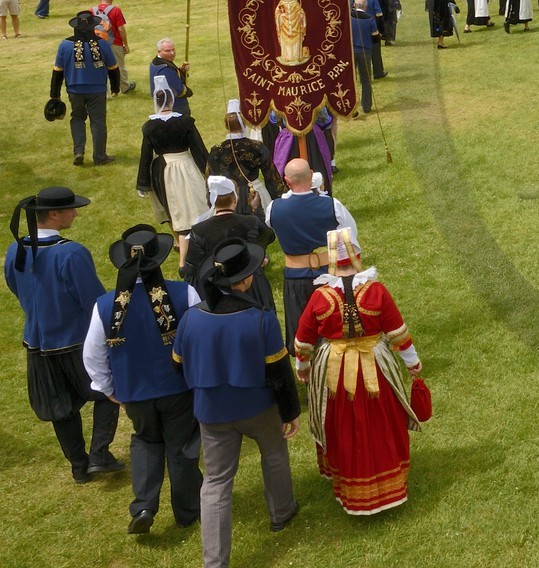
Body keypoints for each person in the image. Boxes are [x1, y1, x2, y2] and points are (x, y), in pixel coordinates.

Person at [171, 242, 302, 564]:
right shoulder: (261, 318)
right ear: (244, 281)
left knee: (216, 482)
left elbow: (177, 363)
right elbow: (279, 372)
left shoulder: (190, 318)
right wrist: (291, 413)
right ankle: (281, 513)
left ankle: (214, 561)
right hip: (258, 408)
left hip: (212, 412)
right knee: (273, 454)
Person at [293, 229, 424, 515]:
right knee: (381, 420)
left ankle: (351, 482)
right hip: (375, 363)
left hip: (333, 369)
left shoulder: (320, 296)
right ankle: (389, 480)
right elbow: (397, 332)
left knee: (343, 423)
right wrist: (412, 363)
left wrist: (302, 368)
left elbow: (302, 340)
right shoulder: (375, 290)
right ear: (358, 257)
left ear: (331, 262)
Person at [82, 225, 202, 534]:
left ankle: (145, 505)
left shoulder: (105, 305)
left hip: (134, 392)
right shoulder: (184, 293)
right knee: (180, 447)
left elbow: (92, 355)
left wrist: (109, 389)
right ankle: (188, 511)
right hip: (179, 388)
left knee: (146, 441)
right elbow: (199, 338)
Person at [5, 185, 122, 483]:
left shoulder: (14, 249)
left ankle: (79, 467)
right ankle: (99, 454)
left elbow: (15, 286)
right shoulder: (72, 253)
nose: (75, 213)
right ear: (54, 214)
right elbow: (93, 300)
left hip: (37, 342)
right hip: (77, 341)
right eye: (71, 209)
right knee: (108, 390)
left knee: (60, 408)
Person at [265, 159, 358, 339]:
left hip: (295, 279)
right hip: (330, 274)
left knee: (303, 333)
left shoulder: (273, 208)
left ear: (287, 180)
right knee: (334, 330)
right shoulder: (333, 205)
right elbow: (351, 237)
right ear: (312, 175)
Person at [136, 77, 210, 265]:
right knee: (194, 199)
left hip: (163, 169)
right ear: (171, 100)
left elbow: (145, 156)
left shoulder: (150, 126)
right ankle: (197, 237)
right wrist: (209, 171)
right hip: (185, 164)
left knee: (172, 205)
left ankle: (180, 239)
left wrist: (143, 182)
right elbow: (198, 149)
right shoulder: (185, 122)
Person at [182, 178, 278, 314]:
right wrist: (256, 210)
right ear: (235, 199)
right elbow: (268, 237)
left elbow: (191, 270)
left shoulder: (199, 229)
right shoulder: (251, 221)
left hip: (218, 289)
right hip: (252, 284)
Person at [51, 9, 123, 166]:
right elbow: (113, 67)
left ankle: (78, 152)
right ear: (93, 27)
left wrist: (54, 94)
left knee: (77, 118)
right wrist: (115, 87)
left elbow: (57, 71)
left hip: (75, 90)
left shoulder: (64, 45)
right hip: (97, 90)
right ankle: (100, 156)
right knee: (98, 122)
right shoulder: (102, 44)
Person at [209, 103, 283, 216]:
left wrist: (212, 201)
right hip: (255, 192)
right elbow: (270, 175)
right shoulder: (257, 146)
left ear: (226, 126)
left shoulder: (217, 149)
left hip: (230, 196)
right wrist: (278, 198)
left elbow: (210, 177)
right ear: (244, 123)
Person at [95, 0, 136, 94]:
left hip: (98, 43)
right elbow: (121, 29)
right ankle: (124, 87)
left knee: (101, 67)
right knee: (119, 66)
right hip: (114, 42)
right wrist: (125, 44)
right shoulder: (115, 10)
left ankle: (105, 91)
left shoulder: (92, 11)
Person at [149, 38, 193, 116]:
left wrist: (181, 71)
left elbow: (172, 77)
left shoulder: (156, 62)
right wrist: (189, 92)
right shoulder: (166, 68)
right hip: (175, 107)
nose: (172, 53)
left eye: (173, 50)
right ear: (159, 51)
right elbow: (179, 90)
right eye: (167, 51)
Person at [351, 0, 378, 114]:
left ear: (354, 5)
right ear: (366, 7)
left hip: (351, 51)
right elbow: (375, 38)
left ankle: (351, 106)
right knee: (366, 79)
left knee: (351, 80)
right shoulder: (370, 19)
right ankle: (366, 106)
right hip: (365, 52)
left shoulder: (349, 18)